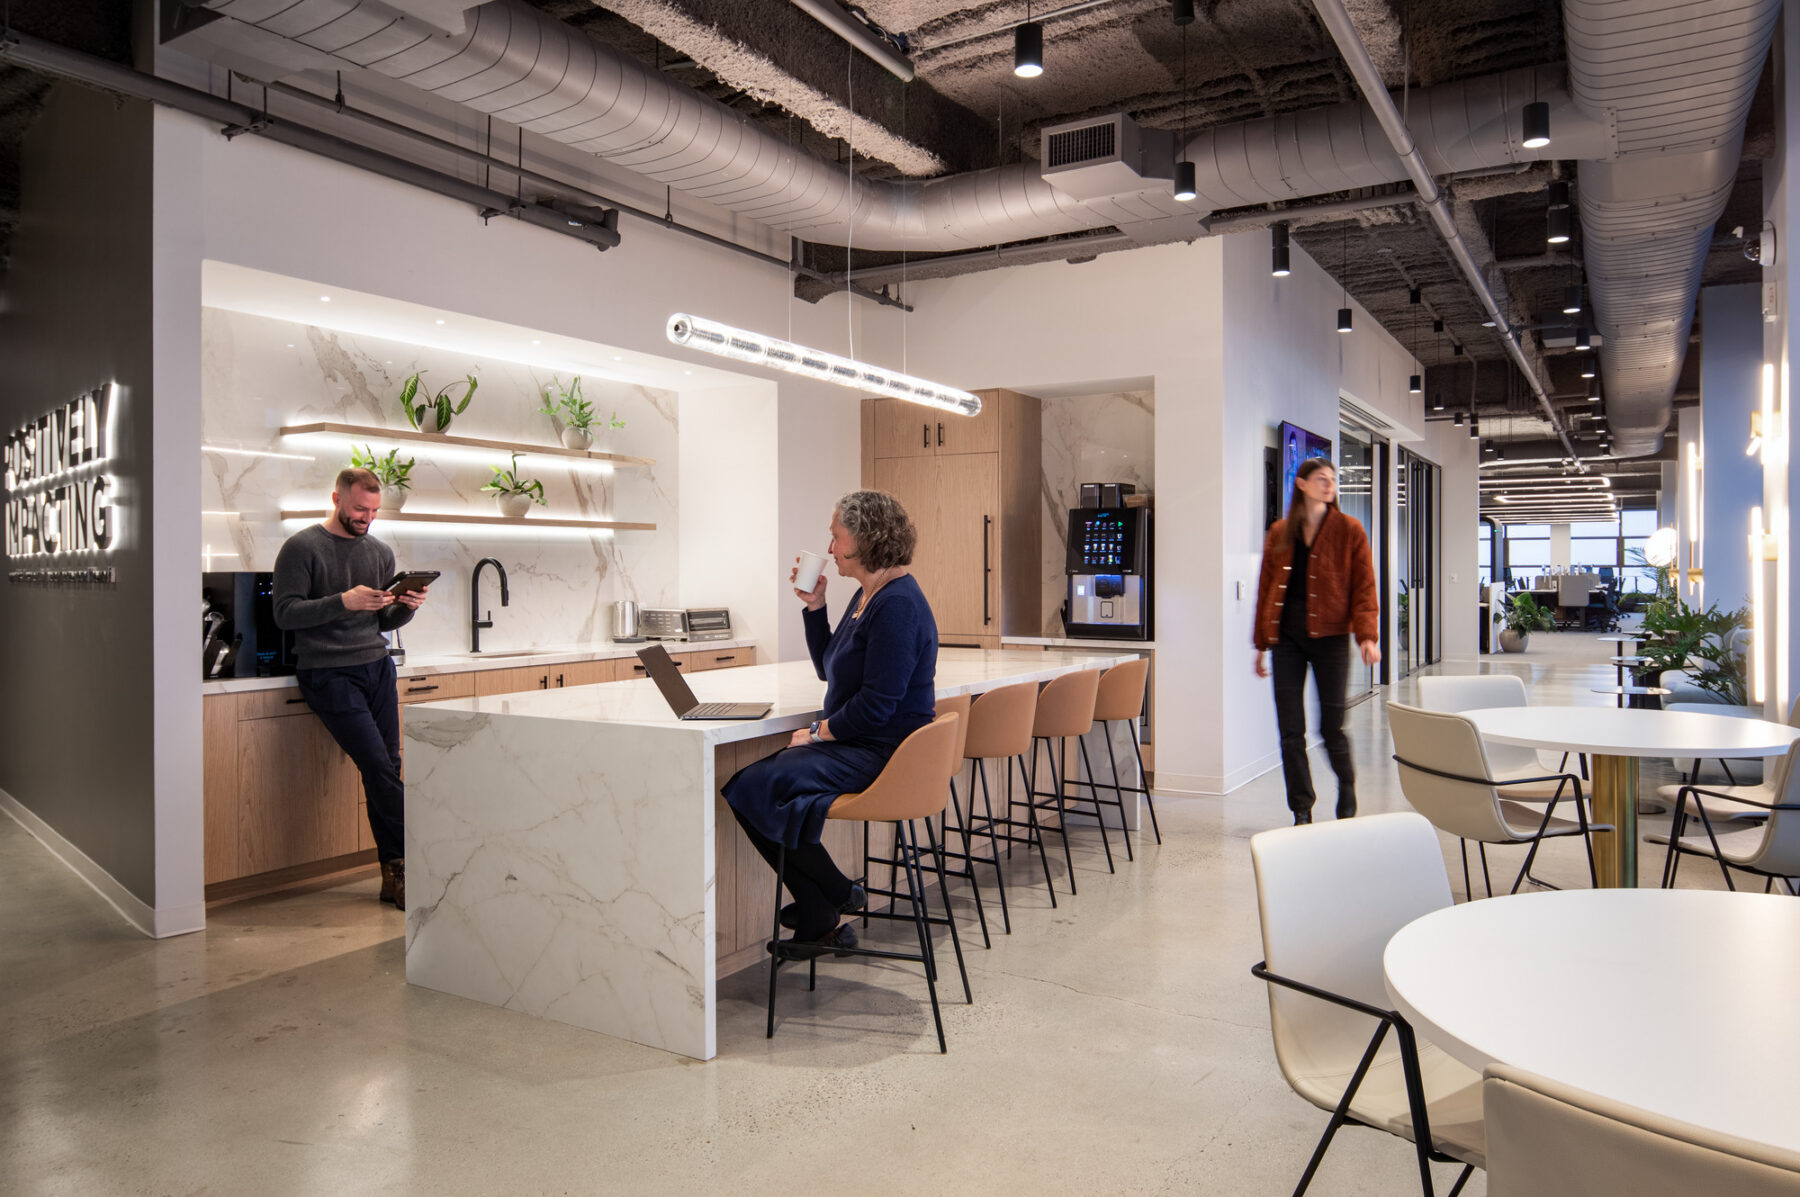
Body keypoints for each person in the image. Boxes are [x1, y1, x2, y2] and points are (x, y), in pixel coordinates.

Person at [723, 490, 938, 959]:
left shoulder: (897, 605)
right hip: (860, 741)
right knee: (763, 789)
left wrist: (818, 733)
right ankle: (826, 907)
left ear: (863, 540)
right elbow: (828, 667)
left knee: (753, 787)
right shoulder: (869, 595)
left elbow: (876, 706)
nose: (830, 548)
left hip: (881, 750)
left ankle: (833, 897)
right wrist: (815, 606)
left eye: (836, 537)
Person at [273, 468, 429, 909]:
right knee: (378, 766)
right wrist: (344, 600)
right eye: (360, 509)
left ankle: (393, 875)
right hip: (328, 672)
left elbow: (382, 621)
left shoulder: (379, 552)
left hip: (376, 667)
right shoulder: (302, 548)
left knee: (388, 766)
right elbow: (284, 613)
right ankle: (417, 864)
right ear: (336, 498)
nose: (367, 518)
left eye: (374, 511)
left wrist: (407, 607)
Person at [1252, 457, 1379, 825]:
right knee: (1291, 730)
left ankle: (1347, 784)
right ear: (1302, 484)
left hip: (1331, 638)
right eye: (1322, 478)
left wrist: (1367, 637)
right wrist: (1261, 644)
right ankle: (1302, 808)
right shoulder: (1280, 532)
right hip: (1286, 640)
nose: (1329, 485)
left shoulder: (1349, 529)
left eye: (1332, 480)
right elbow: (1266, 588)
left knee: (1331, 726)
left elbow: (1364, 587)